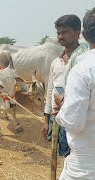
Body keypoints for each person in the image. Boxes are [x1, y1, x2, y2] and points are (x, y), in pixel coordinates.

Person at [55, 7, 95, 179]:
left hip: (86, 165)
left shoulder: (83, 70)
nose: (61, 36)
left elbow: (73, 123)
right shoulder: (58, 61)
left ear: (83, 34)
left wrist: (61, 109)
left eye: (65, 32)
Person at [42, 14, 89, 156]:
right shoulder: (55, 62)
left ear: (77, 33)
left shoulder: (85, 59)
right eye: (58, 33)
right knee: (63, 155)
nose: (60, 36)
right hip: (57, 116)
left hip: (80, 117)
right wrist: (46, 120)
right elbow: (50, 91)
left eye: (64, 32)